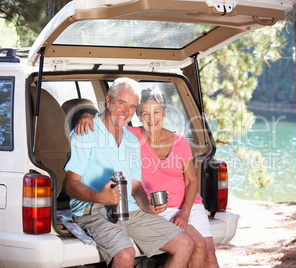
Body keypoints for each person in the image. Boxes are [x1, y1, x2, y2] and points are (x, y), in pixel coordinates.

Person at [75, 87, 220, 268]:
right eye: (145, 113)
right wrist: (87, 115)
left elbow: (192, 181)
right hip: (159, 207)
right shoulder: (131, 136)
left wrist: (185, 212)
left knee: (210, 255)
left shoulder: (180, 141)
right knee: (197, 245)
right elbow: (109, 119)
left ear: (164, 113)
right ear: (138, 116)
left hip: (189, 205)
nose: (151, 118)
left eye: (156, 112)